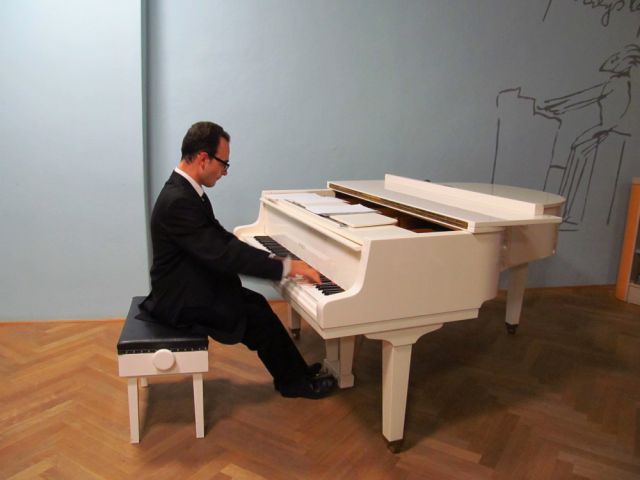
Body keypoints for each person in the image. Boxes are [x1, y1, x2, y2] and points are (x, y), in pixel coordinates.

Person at [140, 121, 336, 399]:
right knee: (257, 318)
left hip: (188, 286)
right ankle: (293, 383)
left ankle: (297, 374)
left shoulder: (185, 191)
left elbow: (220, 239)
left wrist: (270, 256)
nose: (225, 172)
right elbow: (223, 255)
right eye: (224, 164)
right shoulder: (179, 200)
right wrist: (287, 266)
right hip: (180, 300)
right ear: (204, 158)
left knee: (256, 304)